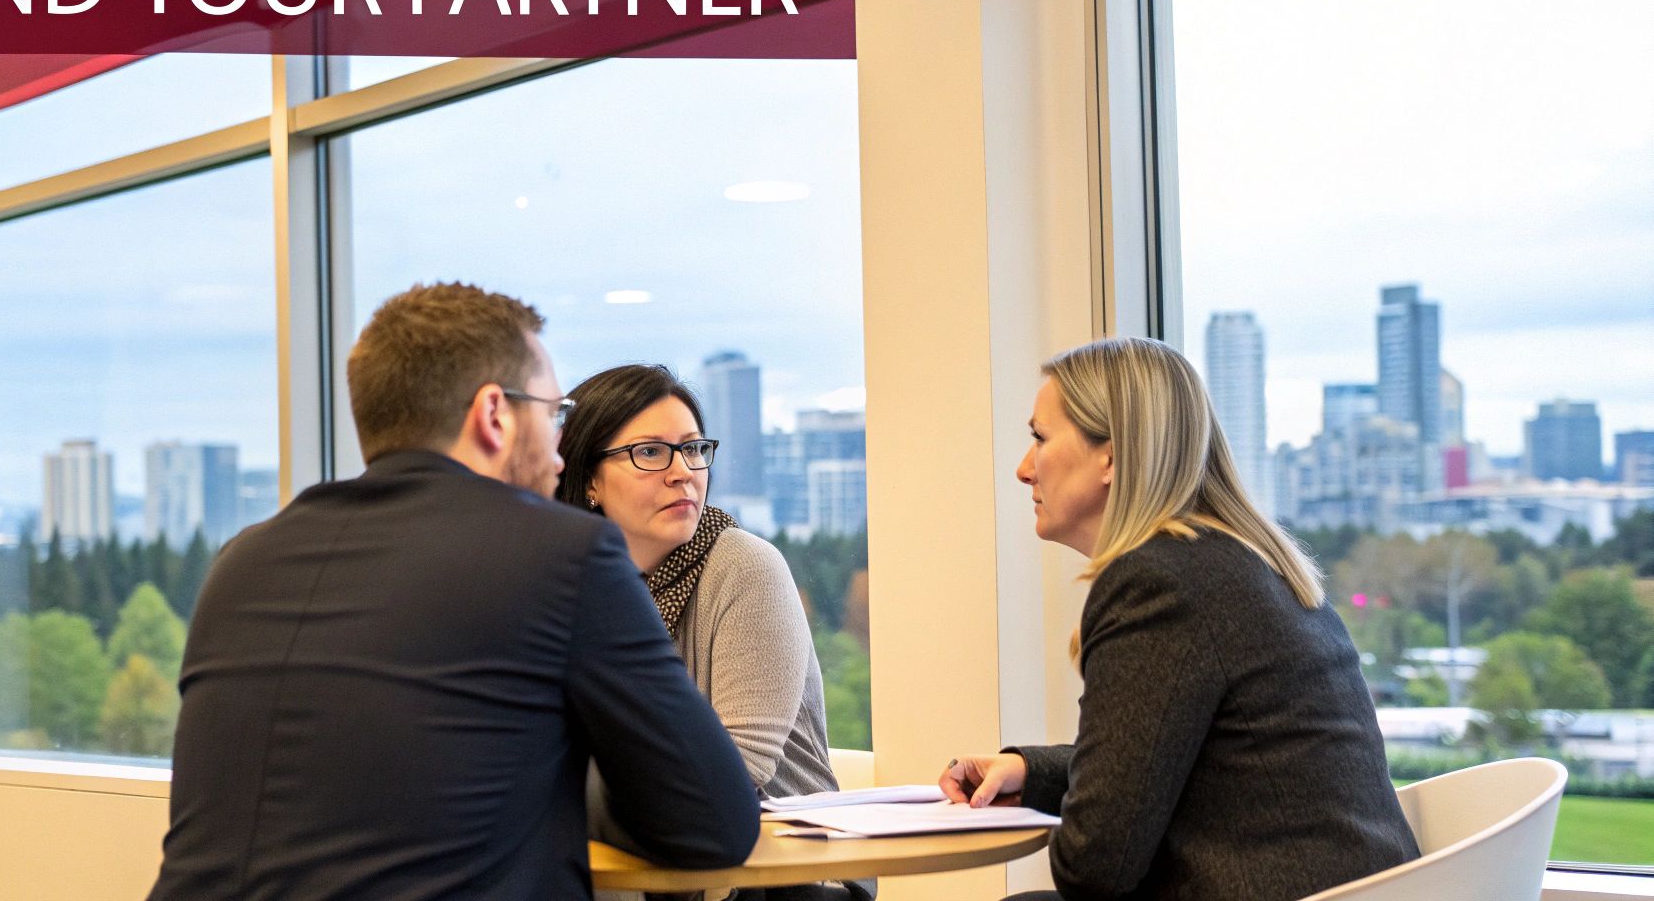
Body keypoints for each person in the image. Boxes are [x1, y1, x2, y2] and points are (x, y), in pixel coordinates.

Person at [149, 284, 759, 901]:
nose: (558, 454)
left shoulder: (245, 561)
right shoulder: (562, 554)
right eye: (553, 415)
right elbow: (715, 824)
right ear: (494, 414)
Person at [938, 337, 1419, 901]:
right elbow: (1198, 756)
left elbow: (1093, 869)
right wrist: (1034, 771)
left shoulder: (1157, 583)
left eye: (1039, 438)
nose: (1024, 469)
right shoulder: (1244, 562)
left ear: (1111, 456)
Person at [556, 364, 872, 901]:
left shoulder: (744, 568)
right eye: (651, 452)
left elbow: (733, 776)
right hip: (638, 863)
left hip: (783, 876)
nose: (684, 472)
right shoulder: (568, 586)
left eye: (693, 449)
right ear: (588, 478)